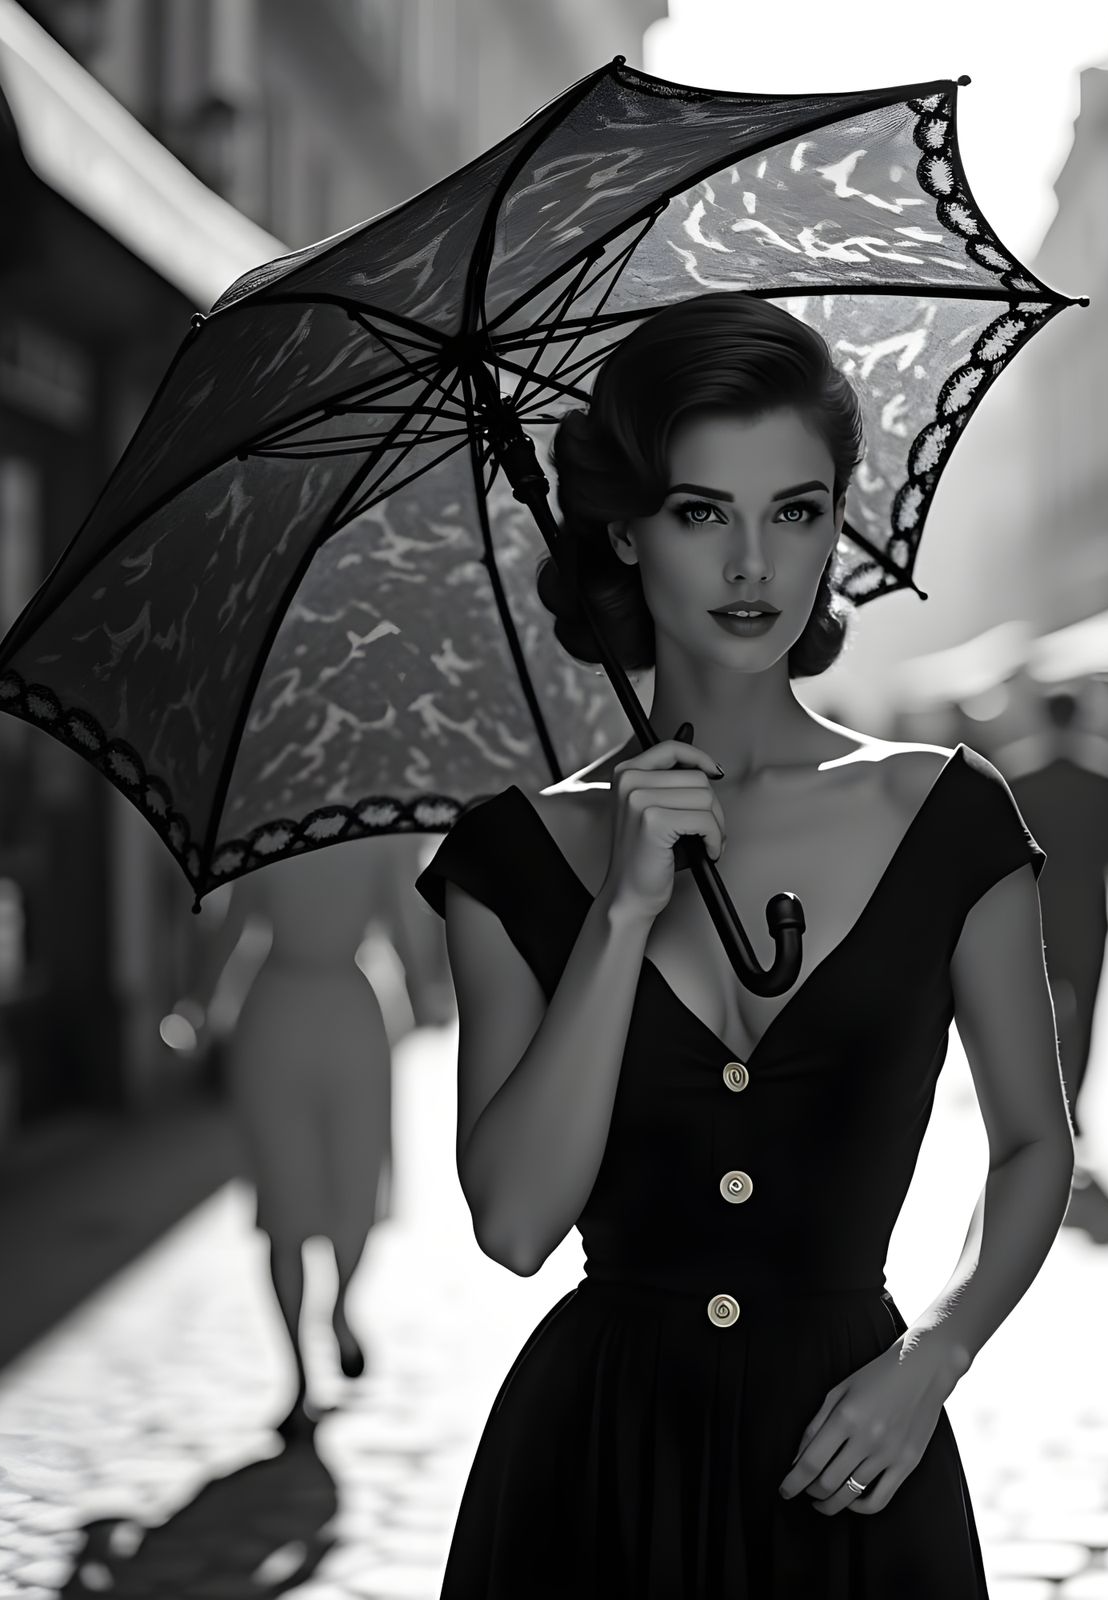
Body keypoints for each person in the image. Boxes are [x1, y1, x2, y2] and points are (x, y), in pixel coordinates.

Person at [414, 292, 1072, 1596]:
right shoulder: (513, 859)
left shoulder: (946, 814)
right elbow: (514, 1220)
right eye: (703, 512)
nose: (755, 566)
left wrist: (933, 1357)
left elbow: (1032, 1142)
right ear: (624, 530)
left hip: (860, 1460)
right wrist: (620, 915)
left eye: (797, 511)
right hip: (593, 1473)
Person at [182, 833, 453, 1438]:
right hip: (288, 1016)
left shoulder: (366, 836)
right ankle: (298, 1376)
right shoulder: (282, 834)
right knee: (285, 1203)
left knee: (353, 1189)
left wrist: (425, 987)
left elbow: (405, 926)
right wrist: (198, 1002)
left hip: (336, 1015)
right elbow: (234, 926)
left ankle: (337, 1311)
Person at [996, 686, 1108, 1149]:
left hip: (1036, 912)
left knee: (1039, 1013)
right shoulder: (1103, 778)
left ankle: (1047, 1100)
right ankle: (1076, 1102)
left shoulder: (1018, 778)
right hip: (1089, 908)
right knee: (1087, 1009)